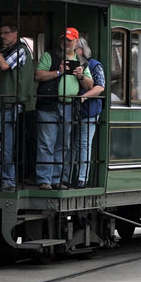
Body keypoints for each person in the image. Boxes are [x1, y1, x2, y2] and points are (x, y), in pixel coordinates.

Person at [34, 28, 83, 189]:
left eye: (69, 40)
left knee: (63, 144)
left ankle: (57, 179)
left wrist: (80, 75)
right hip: (49, 105)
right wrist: (58, 72)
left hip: (68, 105)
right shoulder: (50, 56)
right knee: (46, 143)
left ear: (76, 42)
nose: (66, 42)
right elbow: (38, 75)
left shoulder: (81, 61)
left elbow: (91, 84)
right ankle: (44, 180)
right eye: (64, 39)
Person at [0, 22, 30, 191]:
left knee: (6, 143)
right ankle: (5, 178)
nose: (3, 36)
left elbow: (4, 65)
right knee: (1, 142)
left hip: (11, 104)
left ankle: (8, 180)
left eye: (5, 33)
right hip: (1, 104)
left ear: (15, 34)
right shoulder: (6, 51)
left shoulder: (20, 50)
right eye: (0, 33)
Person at [73, 36, 105, 188]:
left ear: (82, 49)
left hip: (89, 110)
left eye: (76, 48)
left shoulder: (94, 65)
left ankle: (82, 178)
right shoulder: (69, 64)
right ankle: (68, 176)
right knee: (70, 144)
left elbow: (100, 87)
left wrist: (84, 97)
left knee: (84, 144)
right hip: (71, 108)